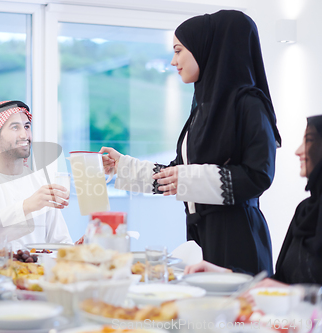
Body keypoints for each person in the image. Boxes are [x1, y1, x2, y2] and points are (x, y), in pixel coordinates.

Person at [101, 10, 281, 274]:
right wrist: (122, 166)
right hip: (202, 234)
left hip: (238, 238)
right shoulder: (204, 108)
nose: (174, 61)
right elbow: (179, 171)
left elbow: (259, 175)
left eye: (178, 50)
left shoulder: (249, 104)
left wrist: (187, 179)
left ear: (205, 48)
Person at [186, 115, 322, 287]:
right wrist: (224, 274)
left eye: (309, 141)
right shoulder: (305, 210)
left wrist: (292, 294)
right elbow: (280, 282)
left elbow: (288, 290)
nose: (298, 151)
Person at [0, 100, 73, 252]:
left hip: (37, 274)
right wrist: (26, 206)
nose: (25, 134)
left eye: (26, 126)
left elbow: (61, 242)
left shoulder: (41, 183)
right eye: (15, 127)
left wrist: (79, 249)